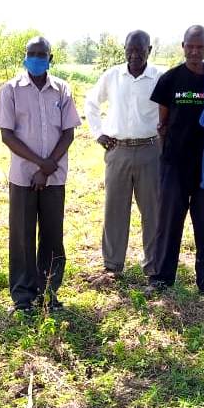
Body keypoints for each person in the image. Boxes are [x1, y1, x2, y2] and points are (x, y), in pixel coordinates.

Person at [0, 36, 82, 312]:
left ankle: (48, 293)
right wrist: (41, 164)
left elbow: (68, 133)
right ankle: (23, 297)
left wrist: (48, 166)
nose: (36, 59)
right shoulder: (11, 90)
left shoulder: (62, 90)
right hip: (23, 177)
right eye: (31, 54)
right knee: (22, 236)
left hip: (54, 177)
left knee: (53, 236)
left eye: (42, 54)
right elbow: (7, 135)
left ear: (50, 59)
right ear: (25, 57)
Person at [149, 25, 204, 296]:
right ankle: (161, 279)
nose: (195, 52)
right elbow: (163, 123)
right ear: (183, 47)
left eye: (200, 47)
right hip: (175, 163)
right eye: (190, 46)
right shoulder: (170, 79)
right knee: (168, 222)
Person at [85, 30, 162, 280]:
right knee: (115, 210)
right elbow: (91, 102)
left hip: (151, 151)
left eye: (140, 50)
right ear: (125, 49)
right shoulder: (113, 76)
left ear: (149, 50)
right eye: (130, 50)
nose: (135, 55)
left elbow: (170, 111)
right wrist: (98, 133)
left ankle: (154, 267)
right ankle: (112, 265)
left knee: (152, 211)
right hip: (117, 150)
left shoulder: (159, 77)